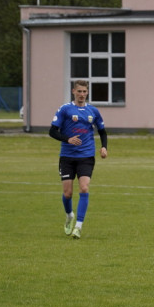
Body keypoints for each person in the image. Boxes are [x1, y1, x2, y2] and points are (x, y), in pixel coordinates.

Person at [50, 80, 108, 239]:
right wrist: (67, 139)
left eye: (85, 92)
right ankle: (69, 215)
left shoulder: (93, 111)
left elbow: (102, 131)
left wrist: (104, 147)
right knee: (67, 193)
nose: (82, 94)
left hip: (86, 156)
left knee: (84, 188)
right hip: (67, 157)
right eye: (79, 91)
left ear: (87, 93)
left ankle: (78, 227)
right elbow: (52, 131)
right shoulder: (65, 109)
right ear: (73, 91)